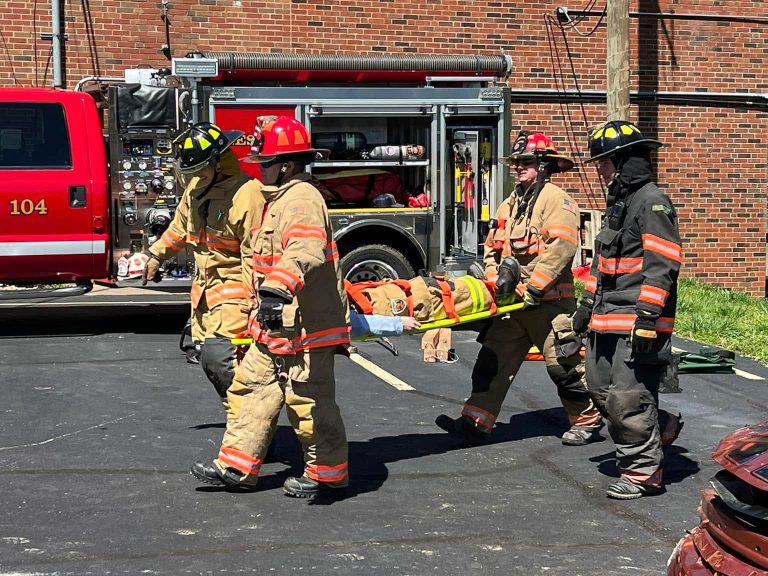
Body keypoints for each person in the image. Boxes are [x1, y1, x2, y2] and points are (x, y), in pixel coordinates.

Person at [191, 116, 351, 499]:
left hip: (308, 327)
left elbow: (304, 251)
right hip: (276, 323)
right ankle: (236, 467)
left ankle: (328, 475)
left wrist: (277, 290)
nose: (258, 169)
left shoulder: (301, 200)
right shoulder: (275, 200)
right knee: (250, 389)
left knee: (309, 402)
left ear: (287, 165)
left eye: (264, 163)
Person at [435, 131, 603, 446]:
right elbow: (491, 249)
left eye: (525, 162)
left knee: (564, 367)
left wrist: (535, 288)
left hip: (549, 305)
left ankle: (587, 421)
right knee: (490, 363)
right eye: (516, 162)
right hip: (512, 308)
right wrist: (492, 282)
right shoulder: (509, 204)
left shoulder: (557, 200)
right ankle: (476, 421)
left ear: (543, 165)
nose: (518, 168)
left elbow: (561, 249)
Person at [572, 120, 682, 499]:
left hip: (637, 322)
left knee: (627, 400)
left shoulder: (651, 201)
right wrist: (587, 304)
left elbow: (663, 262)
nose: (600, 169)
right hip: (605, 318)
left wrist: (649, 318)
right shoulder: (619, 203)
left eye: (604, 161)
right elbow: (603, 263)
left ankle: (642, 473)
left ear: (622, 161)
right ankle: (661, 424)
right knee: (601, 390)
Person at [143, 122, 263, 406]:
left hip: (237, 294)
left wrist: (258, 305)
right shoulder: (197, 189)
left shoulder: (249, 196)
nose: (195, 177)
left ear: (219, 163)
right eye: (191, 172)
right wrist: (155, 255)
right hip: (206, 296)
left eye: (200, 170)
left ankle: (252, 423)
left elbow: (255, 257)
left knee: (221, 360)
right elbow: (180, 228)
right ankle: (245, 423)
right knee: (215, 364)